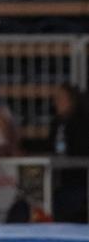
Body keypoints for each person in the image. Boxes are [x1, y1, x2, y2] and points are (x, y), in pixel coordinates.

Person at [48, 83, 89, 222]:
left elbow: (81, 151)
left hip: (80, 181)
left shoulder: (82, 123)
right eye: (56, 99)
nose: (57, 103)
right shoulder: (56, 123)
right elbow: (50, 148)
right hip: (61, 181)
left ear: (71, 100)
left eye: (61, 99)